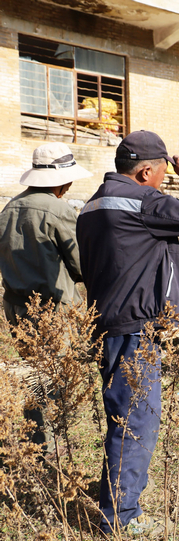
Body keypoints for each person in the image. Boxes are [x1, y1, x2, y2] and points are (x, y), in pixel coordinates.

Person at [76, 130, 179, 535]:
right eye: (161, 175)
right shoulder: (141, 201)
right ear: (145, 171)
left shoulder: (91, 204)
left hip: (105, 325)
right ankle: (119, 518)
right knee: (136, 422)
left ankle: (119, 499)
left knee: (122, 419)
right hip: (135, 330)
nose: (162, 182)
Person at [0, 142, 91, 455]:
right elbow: (81, 266)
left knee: (34, 373)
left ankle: (34, 436)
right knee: (55, 378)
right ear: (62, 181)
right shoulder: (59, 209)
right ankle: (48, 446)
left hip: (16, 305)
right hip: (53, 309)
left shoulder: (9, 207)